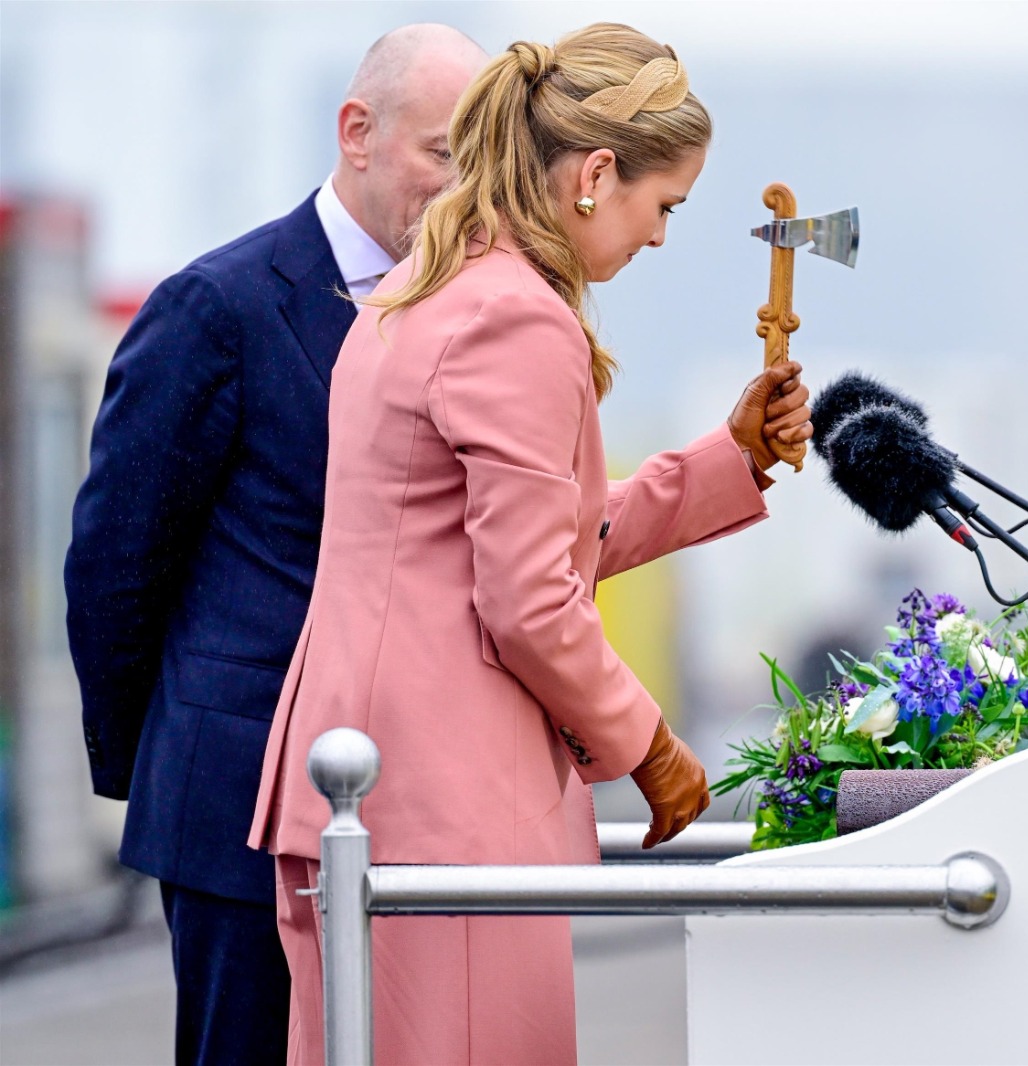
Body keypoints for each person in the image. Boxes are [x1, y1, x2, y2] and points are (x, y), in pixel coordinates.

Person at [248, 23, 813, 1065]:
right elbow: (530, 599)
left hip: (366, 790)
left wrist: (731, 459)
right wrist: (651, 746)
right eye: (663, 207)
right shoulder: (519, 322)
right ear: (597, 175)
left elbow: (536, 541)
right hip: (442, 806)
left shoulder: (431, 289)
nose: (656, 239)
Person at [63, 24, 487, 1066]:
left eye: (481, 163)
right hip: (233, 816)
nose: (464, 189)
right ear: (357, 133)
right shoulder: (217, 308)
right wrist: (158, 760)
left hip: (401, 806)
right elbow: (116, 561)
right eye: (442, 153)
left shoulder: (461, 317)